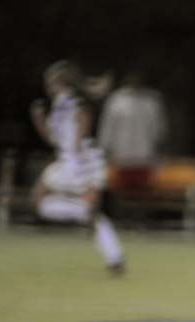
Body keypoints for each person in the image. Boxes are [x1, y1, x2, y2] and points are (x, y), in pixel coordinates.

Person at [30, 60, 125, 275]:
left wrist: (81, 152)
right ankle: (82, 211)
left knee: (45, 200)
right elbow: (54, 140)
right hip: (68, 161)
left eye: (50, 83)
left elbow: (82, 127)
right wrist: (39, 121)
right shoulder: (59, 107)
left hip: (81, 162)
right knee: (40, 201)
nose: (47, 87)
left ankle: (114, 258)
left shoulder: (75, 104)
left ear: (61, 83)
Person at [98, 70, 167, 191]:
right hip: (122, 160)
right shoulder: (115, 100)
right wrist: (105, 152)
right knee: (120, 195)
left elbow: (159, 130)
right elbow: (107, 129)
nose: (134, 80)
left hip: (144, 160)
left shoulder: (152, 100)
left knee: (144, 196)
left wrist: (158, 152)